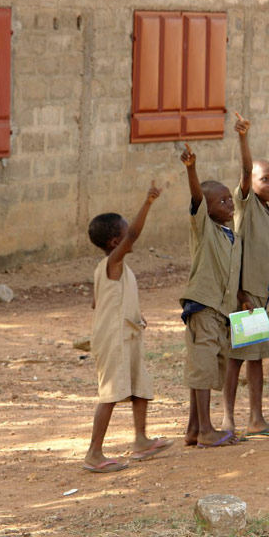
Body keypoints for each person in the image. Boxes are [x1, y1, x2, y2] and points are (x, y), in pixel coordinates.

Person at [84, 184, 173, 473]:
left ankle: (141, 440)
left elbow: (99, 302)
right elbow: (134, 234)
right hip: (114, 339)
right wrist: (148, 202)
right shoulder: (113, 262)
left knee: (139, 386)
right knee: (110, 394)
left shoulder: (111, 268)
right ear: (114, 242)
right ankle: (94, 454)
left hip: (127, 334)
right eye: (125, 232)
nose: (131, 234)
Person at [220, 113, 269, 438]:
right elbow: (243, 169)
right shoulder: (247, 206)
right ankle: (227, 420)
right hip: (247, 296)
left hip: (268, 297)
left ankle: (256, 417)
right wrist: (243, 138)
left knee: (256, 358)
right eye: (265, 179)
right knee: (236, 358)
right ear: (249, 185)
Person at [179, 143, 242, 448]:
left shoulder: (231, 236)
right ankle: (205, 429)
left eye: (231, 199)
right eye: (222, 201)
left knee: (208, 367)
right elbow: (196, 198)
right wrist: (192, 168)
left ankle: (193, 428)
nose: (230, 205)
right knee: (202, 367)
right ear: (207, 206)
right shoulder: (203, 228)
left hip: (222, 310)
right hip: (203, 306)